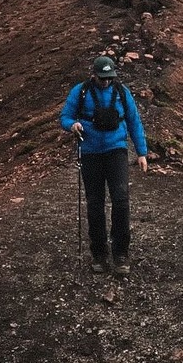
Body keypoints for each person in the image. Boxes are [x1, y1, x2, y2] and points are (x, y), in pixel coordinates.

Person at [60, 55, 149, 274]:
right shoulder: (80, 92)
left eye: (109, 78)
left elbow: (133, 120)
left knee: (121, 200)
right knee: (95, 203)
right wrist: (73, 125)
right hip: (90, 152)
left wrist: (141, 152)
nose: (106, 82)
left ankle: (121, 254)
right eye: (102, 78)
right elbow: (65, 117)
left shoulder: (122, 92)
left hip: (116, 150)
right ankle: (99, 253)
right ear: (94, 75)